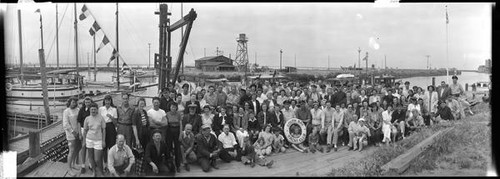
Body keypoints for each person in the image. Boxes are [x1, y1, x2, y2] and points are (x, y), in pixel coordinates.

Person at [82, 102, 106, 177]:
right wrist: (84, 141)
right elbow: (85, 130)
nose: (93, 111)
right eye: (92, 109)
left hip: (98, 140)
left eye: (94, 109)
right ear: (90, 110)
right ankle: (94, 172)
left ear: (97, 110)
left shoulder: (101, 118)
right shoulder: (87, 119)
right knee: (91, 158)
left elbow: (104, 130)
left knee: (97, 159)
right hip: (89, 140)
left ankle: (101, 172)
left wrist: (103, 140)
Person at [98, 95, 118, 171]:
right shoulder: (100, 109)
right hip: (103, 127)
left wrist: (111, 117)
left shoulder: (114, 109)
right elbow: (98, 119)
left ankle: (111, 164)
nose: (107, 102)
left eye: (109, 100)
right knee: (104, 147)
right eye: (106, 100)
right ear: (104, 101)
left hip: (111, 127)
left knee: (111, 147)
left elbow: (116, 123)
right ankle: (105, 164)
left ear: (111, 101)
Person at [62, 97, 81, 174]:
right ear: (69, 103)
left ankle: (73, 164)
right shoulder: (66, 111)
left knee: (77, 148)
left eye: (75, 102)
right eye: (73, 102)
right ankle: (69, 168)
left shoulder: (78, 110)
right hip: (71, 134)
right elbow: (65, 124)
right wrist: (73, 132)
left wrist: (79, 132)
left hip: (78, 132)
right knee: (71, 150)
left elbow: (79, 121)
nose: (74, 104)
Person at [165, 103, 183, 173]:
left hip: (177, 130)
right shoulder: (167, 114)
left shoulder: (178, 114)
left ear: (176, 108)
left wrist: (180, 134)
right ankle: (169, 164)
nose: (173, 108)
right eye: (172, 107)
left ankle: (178, 165)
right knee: (168, 148)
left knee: (177, 149)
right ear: (170, 107)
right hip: (169, 130)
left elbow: (181, 124)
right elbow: (165, 123)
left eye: (175, 107)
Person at [77, 97, 93, 173]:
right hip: (84, 130)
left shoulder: (93, 109)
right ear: (84, 103)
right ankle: (83, 165)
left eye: (89, 102)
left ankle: (90, 164)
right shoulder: (82, 110)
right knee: (83, 147)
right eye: (86, 102)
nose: (87, 104)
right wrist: (80, 133)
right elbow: (79, 122)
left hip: (91, 130)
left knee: (90, 148)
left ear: (91, 102)